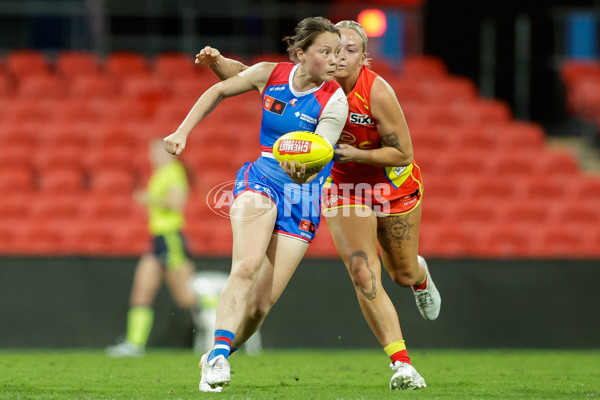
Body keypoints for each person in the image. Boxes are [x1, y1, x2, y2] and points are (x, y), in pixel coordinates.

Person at [195, 20, 441, 390]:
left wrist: (354, 153)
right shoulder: (308, 80)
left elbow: (404, 153)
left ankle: (419, 276)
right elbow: (251, 77)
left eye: (349, 50)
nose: (339, 57)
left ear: (364, 58)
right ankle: (402, 364)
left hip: (389, 183)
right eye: (332, 49)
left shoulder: (375, 92)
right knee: (362, 271)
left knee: (402, 273)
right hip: (342, 186)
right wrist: (218, 61)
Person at [164, 16, 348, 392]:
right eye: (325, 51)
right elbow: (221, 88)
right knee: (246, 267)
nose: (335, 60)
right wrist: (182, 131)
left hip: (304, 194)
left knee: (261, 305)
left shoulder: (335, 101)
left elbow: (320, 156)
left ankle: (220, 352)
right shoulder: (272, 73)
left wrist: (304, 172)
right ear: (301, 54)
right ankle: (216, 357)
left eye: (339, 52)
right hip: (261, 178)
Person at [106, 138, 198, 358]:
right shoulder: (159, 174)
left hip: (170, 237)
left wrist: (149, 198)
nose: (155, 157)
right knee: (141, 291)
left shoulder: (173, 171)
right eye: (153, 153)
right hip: (157, 239)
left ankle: (224, 327)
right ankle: (134, 344)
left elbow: (176, 202)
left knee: (186, 298)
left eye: (159, 153)